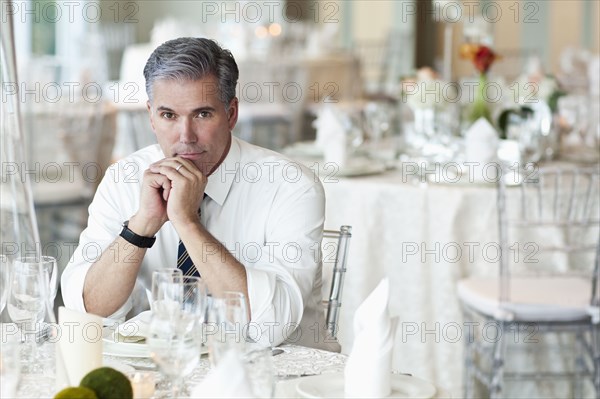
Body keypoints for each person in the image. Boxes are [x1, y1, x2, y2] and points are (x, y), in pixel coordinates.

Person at [61, 37, 338, 350]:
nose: (186, 137)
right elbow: (88, 311)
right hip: (166, 371)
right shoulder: (124, 179)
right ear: (151, 116)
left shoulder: (290, 185)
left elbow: (269, 326)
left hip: (282, 378)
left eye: (203, 114)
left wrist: (186, 222)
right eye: (169, 116)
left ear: (231, 113)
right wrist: (141, 225)